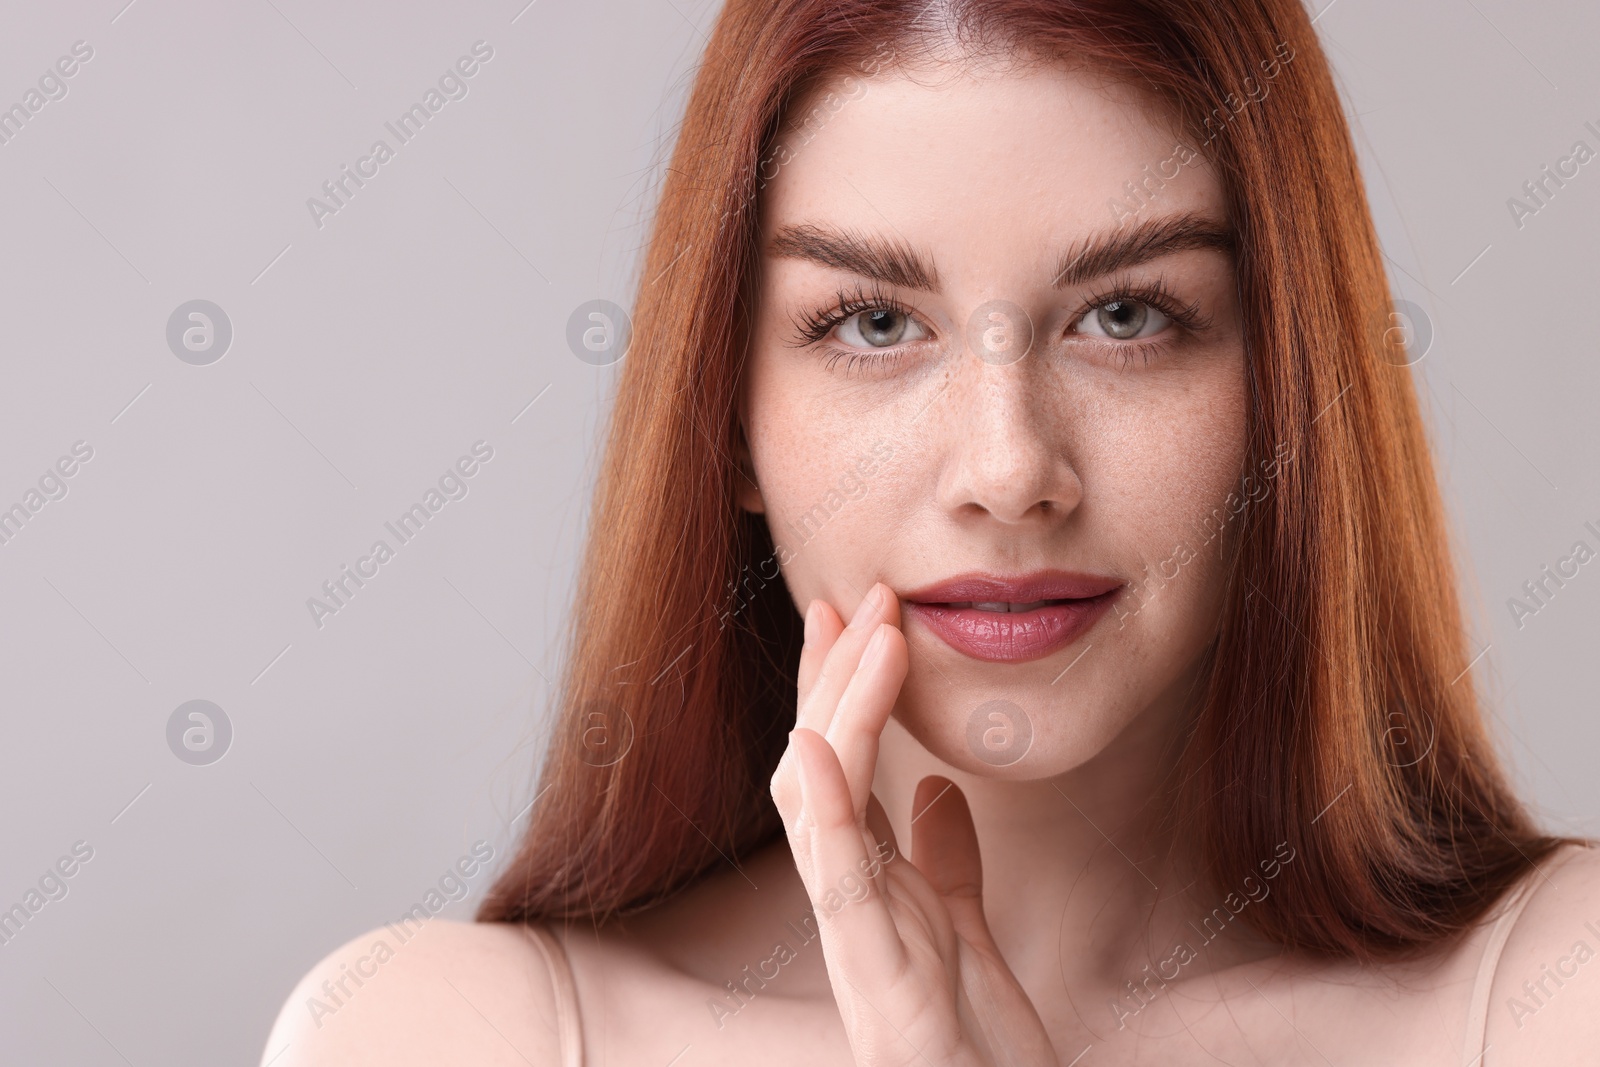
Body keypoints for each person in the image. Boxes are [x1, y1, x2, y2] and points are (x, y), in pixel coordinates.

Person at [262, 0, 1600, 1062]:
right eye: (874, 324)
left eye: (1128, 315)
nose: (1011, 471)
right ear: (726, 417)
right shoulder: (445, 1039)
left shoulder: (1559, 999)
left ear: (1290, 392)